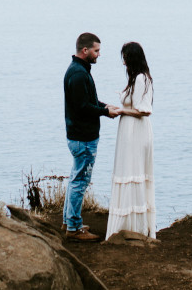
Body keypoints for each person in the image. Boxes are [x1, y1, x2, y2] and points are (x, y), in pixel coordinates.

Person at [63, 32, 119, 241]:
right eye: (96, 51)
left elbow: (89, 100)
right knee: (80, 181)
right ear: (85, 50)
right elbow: (83, 107)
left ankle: (69, 220)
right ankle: (74, 228)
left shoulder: (79, 70)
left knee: (75, 179)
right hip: (83, 137)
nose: (99, 55)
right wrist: (106, 112)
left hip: (77, 135)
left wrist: (105, 106)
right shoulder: (78, 74)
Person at [105, 41, 155, 241]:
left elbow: (143, 110)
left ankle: (133, 225)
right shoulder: (137, 79)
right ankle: (129, 222)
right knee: (129, 170)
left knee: (132, 170)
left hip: (135, 131)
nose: (124, 63)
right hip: (129, 130)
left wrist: (120, 110)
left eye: (125, 58)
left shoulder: (142, 78)